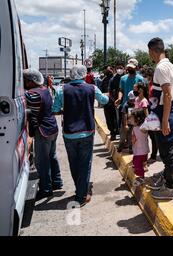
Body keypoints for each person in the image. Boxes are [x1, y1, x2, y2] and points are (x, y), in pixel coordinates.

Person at [52, 65, 110, 206]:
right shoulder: (92, 88)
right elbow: (104, 101)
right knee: (85, 163)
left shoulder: (61, 90)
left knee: (74, 163)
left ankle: (80, 189)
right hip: (87, 132)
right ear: (84, 75)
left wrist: (66, 111)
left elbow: (55, 110)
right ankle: (81, 194)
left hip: (69, 133)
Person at [147, 37, 173, 200]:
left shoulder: (161, 68)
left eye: (149, 53)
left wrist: (165, 120)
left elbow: (167, 94)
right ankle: (169, 179)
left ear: (153, 51)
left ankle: (169, 188)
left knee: (167, 152)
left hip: (164, 113)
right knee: (172, 148)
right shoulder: (172, 67)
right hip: (170, 110)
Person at [23, 69, 62, 201]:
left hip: (43, 130)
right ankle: (57, 182)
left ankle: (46, 189)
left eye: (24, 80)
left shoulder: (31, 94)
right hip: (52, 128)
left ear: (30, 81)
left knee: (42, 161)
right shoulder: (46, 90)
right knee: (52, 156)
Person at [115, 59, 145, 150]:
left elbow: (142, 92)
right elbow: (121, 90)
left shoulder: (140, 78)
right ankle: (122, 143)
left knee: (133, 128)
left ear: (136, 67)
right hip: (125, 105)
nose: (129, 68)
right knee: (124, 126)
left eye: (131, 67)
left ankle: (131, 146)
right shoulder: (123, 78)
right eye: (128, 67)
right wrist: (119, 98)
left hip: (136, 107)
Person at [130, 109, 150, 187]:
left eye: (131, 118)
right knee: (143, 161)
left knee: (137, 164)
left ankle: (141, 178)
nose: (130, 119)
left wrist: (132, 141)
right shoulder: (144, 127)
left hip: (138, 151)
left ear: (137, 119)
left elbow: (133, 140)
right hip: (145, 149)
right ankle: (144, 167)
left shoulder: (135, 129)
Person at [101, 66, 119, 141]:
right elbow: (102, 92)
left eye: (110, 69)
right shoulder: (104, 80)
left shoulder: (117, 78)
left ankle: (116, 132)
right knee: (109, 119)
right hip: (107, 103)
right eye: (107, 70)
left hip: (116, 102)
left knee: (116, 118)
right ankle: (113, 133)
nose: (109, 71)